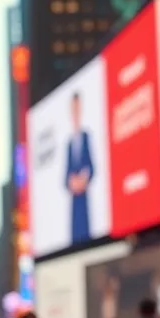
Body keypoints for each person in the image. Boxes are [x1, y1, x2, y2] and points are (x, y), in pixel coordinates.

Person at [65, 91, 94, 245]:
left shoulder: (86, 137)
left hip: (84, 199)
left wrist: (84, 179)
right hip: (74, 203)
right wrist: (71, 182)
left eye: (78, 108)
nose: (75, 113)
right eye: (73, 109)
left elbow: (92, 167)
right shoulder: (69, 144)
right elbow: (65, 177)